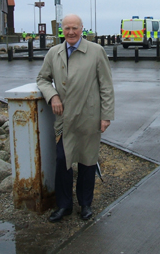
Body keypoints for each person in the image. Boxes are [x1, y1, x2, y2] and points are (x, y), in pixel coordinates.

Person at [37, 14, 115, 223]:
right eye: (66, 28)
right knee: (63, 160)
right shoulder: (54, 53)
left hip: (89, 115)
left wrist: (106, 116)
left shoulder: (96, 52)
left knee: (87, 161)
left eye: (75, 28)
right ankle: (64, 206)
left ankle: (85, 204)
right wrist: (52, 95)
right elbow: (42, 79)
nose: (71, 32)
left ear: (82, 29)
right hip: (64, 119)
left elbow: (106, 86)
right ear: (61, 30)